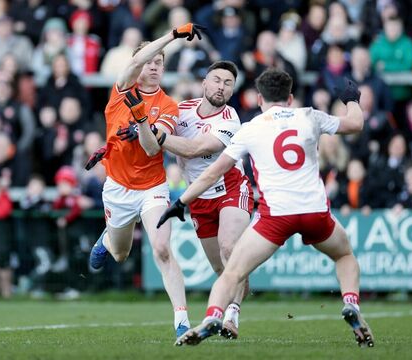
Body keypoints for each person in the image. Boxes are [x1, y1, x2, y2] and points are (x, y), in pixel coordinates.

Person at [158, 69, 374, 347]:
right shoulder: (310, 115)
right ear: (291, 98)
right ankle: (351, 303)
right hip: (314, 212)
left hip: (276, 217)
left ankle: (213, 316)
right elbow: (356, 124)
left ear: (260, 99)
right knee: (344, 255)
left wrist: (181, 202)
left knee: (232, 271)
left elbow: (213, 172)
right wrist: (351, 99)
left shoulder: (251, 127)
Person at [85, 22, 206, 338]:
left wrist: (141, 121)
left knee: (162, 248)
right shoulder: (122, 90)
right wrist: (174, 35)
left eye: (159, 63)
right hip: (118, 187)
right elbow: (137, 63)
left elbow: (154, 147)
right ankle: (108, 238)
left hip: (152, 186)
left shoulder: (168, 106)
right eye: (149, 62)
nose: (153, 67)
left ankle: (181, 319)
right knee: (121, 253)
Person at [117, 60, 253, 339]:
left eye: (228, 83)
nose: (221, 87)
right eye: (216, 80)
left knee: (230, 250)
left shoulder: (230, 120)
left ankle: (232, 315)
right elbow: (151, 141)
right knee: (220, 268)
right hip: (198, 197)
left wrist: (153, 132)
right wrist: (133, 135)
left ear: (232, 90)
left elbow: (194, 149)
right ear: (204, 83)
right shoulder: (181, 110)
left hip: (230, 189)